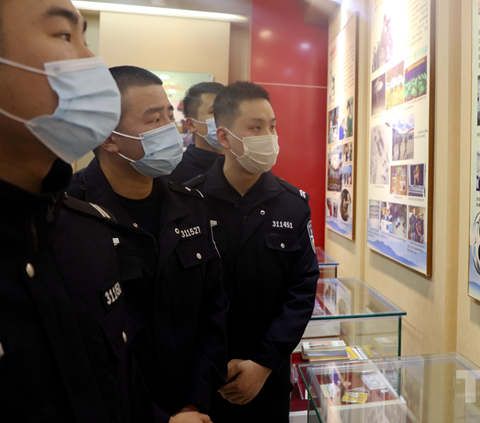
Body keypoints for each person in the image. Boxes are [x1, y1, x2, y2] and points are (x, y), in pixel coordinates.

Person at [0, 0, 170, 422]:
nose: (91, 60)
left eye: (85, 38)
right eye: (63, 35)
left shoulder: (85, 236)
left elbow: (118, 389)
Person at [67, 66, 229, 422]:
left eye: (170, 116)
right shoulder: (69, 213)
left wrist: (194, 403)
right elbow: (76, 347)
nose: (170, 129)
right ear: (109, 139)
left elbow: (213, 309)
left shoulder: (190, 206)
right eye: (155, 120)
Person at [185, 81, 319, 422]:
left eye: (272, 126)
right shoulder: (189, 203)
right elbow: (178, 298)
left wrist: (263, 364)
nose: (269, 137)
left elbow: (302, 289)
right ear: (224, 137)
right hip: (199, 384)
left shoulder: (293, 205)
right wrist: (212, 365)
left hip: (268, 380)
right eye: (256, 128)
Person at [166, 82, 225, 184]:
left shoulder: (243, 166)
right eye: (214, 112)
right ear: (191, 124)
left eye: (229, 112)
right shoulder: (173, 172)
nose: (226, 118)